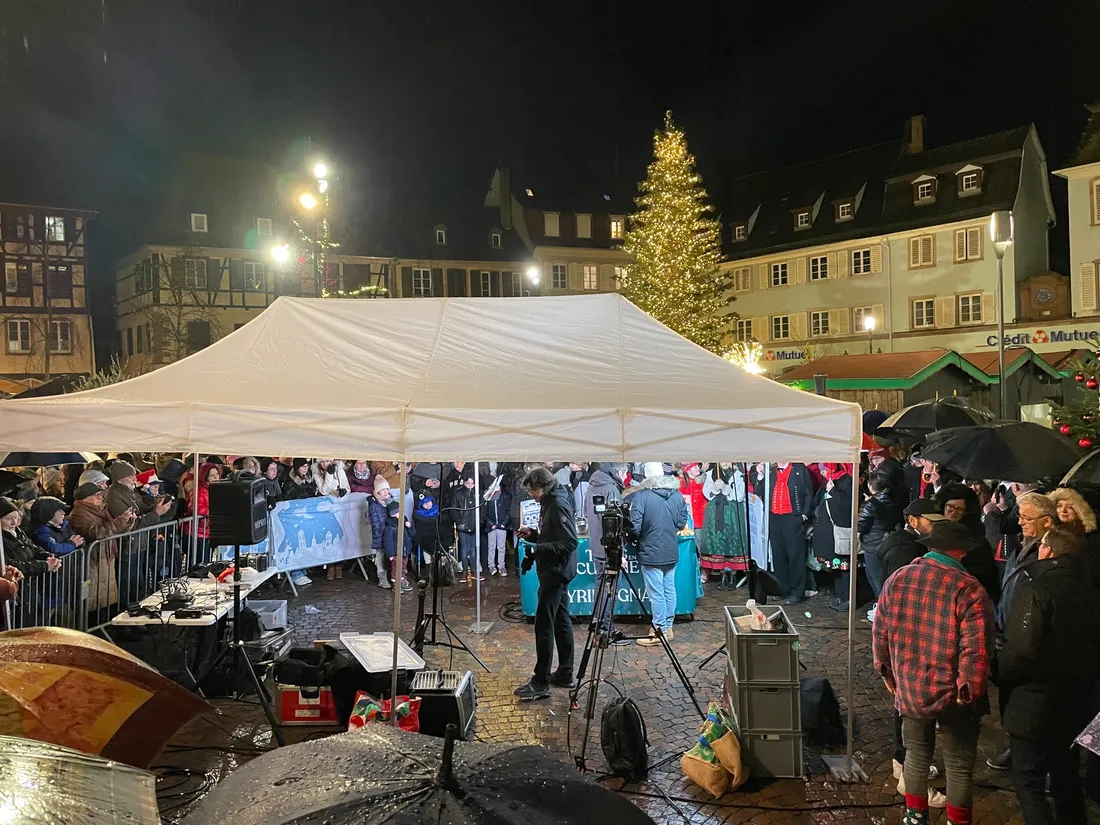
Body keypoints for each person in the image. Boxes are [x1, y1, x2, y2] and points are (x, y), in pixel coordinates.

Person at [873, 520, 995, 825]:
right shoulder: (969, 589)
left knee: (915, 756)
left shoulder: (897, 579)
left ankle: (916, 819)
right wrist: (968, 693)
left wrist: (889, 676)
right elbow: (977, 651)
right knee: (958, 765)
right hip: (954, 696)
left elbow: (880, 634)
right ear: (959, 551)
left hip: (910, 688)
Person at [1000, 527, 1099, 825]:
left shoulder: (1037, 590)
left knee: (1028, 778)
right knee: (1066, 773)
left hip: (1035, 701)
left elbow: (1020, 652)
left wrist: (1003, 677)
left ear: (1049, 551)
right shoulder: (1091, 591)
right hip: (1078, 700)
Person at [988, 491, 1056, 774]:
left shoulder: (1051, 553)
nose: (1021, 522)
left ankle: (1028, 753)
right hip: (1009, 628)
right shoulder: (1022, 545)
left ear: (1047, 521)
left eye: (1027, 518)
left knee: (1024, 700)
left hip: (1026, 635)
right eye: (1021, 516)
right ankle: (1017, 746)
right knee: (1009, 696)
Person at [513, 467, 578, 701]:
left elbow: (569, 542)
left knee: (544, 625)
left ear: (545, 486)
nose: (532, 495)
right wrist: (533, 534)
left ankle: (540, 682)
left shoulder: (557, 504)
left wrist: (538, 548)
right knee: (561, 621)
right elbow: (554, 536)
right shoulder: (551, 501)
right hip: (557, 570)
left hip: (555, 572)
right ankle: (565, 673)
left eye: (534, 491)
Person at [626, 466, 689, 646]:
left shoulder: (642, 496)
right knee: (669, 589)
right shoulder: (676, 495)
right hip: (670, 548)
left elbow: (634, 526)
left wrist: (635, 537)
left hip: (651, 549)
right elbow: (681, 523)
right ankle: (667, 628)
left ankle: (658, 630)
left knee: (657, 593)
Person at [69, 482, 136, 624]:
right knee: (90, 600)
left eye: (100, 494)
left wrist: (128, 521)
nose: (100, 497)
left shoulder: (102, 511)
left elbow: (114, 531)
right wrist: (120, 520)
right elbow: (98, 533)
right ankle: (89, 627)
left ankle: (104, 626)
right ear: (84, 498)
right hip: (92, 562)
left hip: (105, 559)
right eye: (96, 495)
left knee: (104, 598)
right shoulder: (79, 514)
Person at [934, 482, 1000, 602]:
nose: (953, 512)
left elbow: (987, 576)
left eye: (959, 509)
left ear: (967, 512)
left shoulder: (976, 539)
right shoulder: (936, 532)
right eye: (950, 507)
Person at [768, 462, 815, 605]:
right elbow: (760, 491)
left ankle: (797, 592)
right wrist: (759, 476)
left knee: (795, 555)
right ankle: (782, 589)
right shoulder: (771, 470)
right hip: (774, 517)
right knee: (778, 555)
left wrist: (804, 515)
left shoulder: (800, 469)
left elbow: (809, 493)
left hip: (792, 517)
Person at [858, 471, 905, 600]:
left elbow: (860, 525)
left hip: (873, 544)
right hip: (889, 542)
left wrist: (866, 504)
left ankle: (882, 605)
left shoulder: (870, 504)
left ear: (870, 486)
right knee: (884, 578)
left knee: (876, 579)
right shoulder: (894, 499)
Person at [0, 496, 62, 578]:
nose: (14, 522)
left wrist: (50, 557)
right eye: (8, 519)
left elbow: (33, 548)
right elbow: (10, 565)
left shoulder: (19, 532)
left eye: (15, 517)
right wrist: (44, 566)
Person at [105, 460, 174, 530]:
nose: (135, 479)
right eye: (131, 476)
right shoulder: (114, 497)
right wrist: (156, 513)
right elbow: (130, 524)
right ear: (120, 479)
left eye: (134, 475)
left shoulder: (128, 489)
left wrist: (156, 505)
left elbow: (142, 511)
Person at [182, 461, 220, 567]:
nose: (216, 477)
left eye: (217, 474)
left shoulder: (214, 489)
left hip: (206, 532)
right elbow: (196, 508)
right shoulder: (199, 491)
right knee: (199, 563)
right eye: (212, 475)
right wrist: (214, 511)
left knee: (206, 561)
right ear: (205, 476)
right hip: (196, 532)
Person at [454, 475, 484, 584]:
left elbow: (483, 509)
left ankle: (475, 570)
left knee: (474, 550)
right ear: (464, 483)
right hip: (463, 526)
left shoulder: (479, 493)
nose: (470, 485)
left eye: (472, 483)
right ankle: (464, 571)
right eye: (468, 483)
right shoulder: (458, 493)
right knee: (464, 550)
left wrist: (480, 521)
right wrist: (459, 522)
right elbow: (454, 509)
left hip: (475, 525)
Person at [368, 478, 394, 589]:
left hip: (391, 533)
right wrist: (380, 533)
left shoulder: (390, 501)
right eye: (382, 489)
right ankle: (382, 578)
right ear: (377, 491)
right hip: (381, 534)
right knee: (380, 555)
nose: (385, 492)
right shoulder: (374, 505)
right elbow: (375, 522)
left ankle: (393, 576)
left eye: (386, 489)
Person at [384, 499, 414, 592]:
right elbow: (388, 541)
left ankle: (402, 581)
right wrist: (391, 555)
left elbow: (412, 534)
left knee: (403, 567)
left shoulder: (404, 522)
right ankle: (396, 585)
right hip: (396, 553)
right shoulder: (390, 527)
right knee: (396, 569)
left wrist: (409, 526)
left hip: (404, 551)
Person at [484, 479, 512, 576]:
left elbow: (508, 510)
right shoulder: (487, 496)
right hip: (491, 526)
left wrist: (504, 523)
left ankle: (501, 566)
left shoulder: (505, 495)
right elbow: (484, 512)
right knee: (491, 547)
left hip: (502, 525)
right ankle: (491, 566)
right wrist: (491, 524)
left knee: (501, 547)